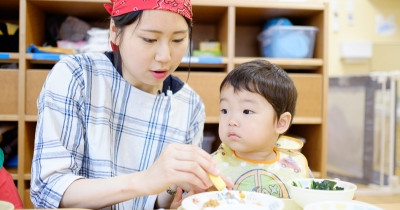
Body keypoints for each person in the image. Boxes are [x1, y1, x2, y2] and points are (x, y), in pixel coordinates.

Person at [30, 0, 230, 209]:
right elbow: (48, 188)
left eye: (178, 39)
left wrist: (179, 185)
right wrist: (145, 181)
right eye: (149, 39)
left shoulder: (190, 104)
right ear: (115, 32)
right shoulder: (78, 76)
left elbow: (160, 202)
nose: (165, 57)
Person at [214, 59, 311, 198]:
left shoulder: (295, 166)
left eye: (247, 111)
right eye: (224, 110)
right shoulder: (213, 166)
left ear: (281, 123)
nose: (231, 121)